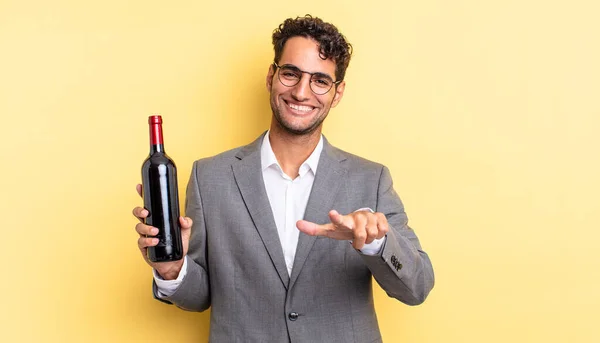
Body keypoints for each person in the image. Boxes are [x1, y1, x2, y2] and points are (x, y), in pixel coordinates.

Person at [132, 15, 434, 343]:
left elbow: (417, 288)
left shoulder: (370, 179)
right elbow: (199, 297)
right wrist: (173, 270)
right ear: (271, 76)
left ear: (337, 93)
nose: (302, 92)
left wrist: (375, 242)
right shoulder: (210, 177)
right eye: (291, 74)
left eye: (320, 81)